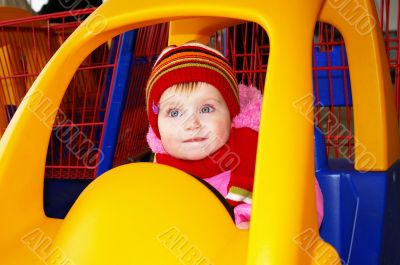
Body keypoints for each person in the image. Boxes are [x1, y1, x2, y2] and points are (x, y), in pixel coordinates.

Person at [145, 41, 323, 229]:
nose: (192, 124)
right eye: (174, 113)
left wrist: (250, 226)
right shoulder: (158, 176)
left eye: (206, 109)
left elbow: (302, 198)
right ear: (157, 126)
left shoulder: (261, 158)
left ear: (231, 115)